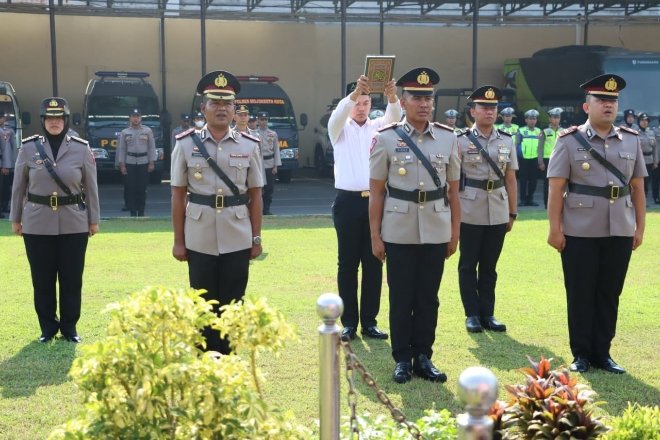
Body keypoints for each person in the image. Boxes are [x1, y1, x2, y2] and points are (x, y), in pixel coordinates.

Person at [547, 74, 646, 374]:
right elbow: (555, 188)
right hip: (580, 230)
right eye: (601, 100)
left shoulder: (630, 139)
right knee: (580, 292)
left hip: (619, 229)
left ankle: (603, 352)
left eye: (613, 101)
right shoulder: (568, 140)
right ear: (586, 106)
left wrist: (639, 228)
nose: (608, 105)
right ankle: (581, 354)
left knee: (608, 292)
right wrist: (555, 228)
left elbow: (638, 188)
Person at [369, 67, 460, 384]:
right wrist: (375, 237)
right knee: (401, 296)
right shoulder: (386, 138)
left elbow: (454, 192)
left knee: (428, 297)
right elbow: (377, 191)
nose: (424, 103)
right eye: (417, 97)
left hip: (436, 227)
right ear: (403, 101)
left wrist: (454, 233)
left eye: (428, 98)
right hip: (398, 229)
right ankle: (402, 358)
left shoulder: (448, 138)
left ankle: (424, 356)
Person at [170, 70, 263, 355]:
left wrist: (256, 238)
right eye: (215, 103)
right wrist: (178, 240)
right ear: (203, 108)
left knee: (234, 301)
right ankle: (205, 356)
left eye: (227, 104)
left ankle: (229, 357)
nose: (221, 108)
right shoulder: (185, 143)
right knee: (203, 301)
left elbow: (256, 195)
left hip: (237, 233)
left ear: (235, 109)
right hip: (198, 235)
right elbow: (177, 194)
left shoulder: (250, 145)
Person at [9, 97, 100, 343]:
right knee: (42, 278)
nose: (54, 122)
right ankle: (47, 327)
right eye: (49, 118)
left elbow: (91, 188)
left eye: (59, 117)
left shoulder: (81, 148)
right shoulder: (28, 148)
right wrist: (15, 218)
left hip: (74, 222)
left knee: (72, 277)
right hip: (37, 222)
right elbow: (19, 187)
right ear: (43, 121)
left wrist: (94, 219)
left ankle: (69, 327)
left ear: (66, 119)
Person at [328, 75, 401, 342]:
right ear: (350, 104)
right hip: (347, 202)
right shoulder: (339, 129)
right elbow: (337, 116)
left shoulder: (378, 127)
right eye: (357, 103)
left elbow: (395, 118)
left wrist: (392, 97)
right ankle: (348, 322)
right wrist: (354, 93)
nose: (361, 107)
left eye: (366, 102)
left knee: (374, 261)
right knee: (347, 264)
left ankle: (369, 321)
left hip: (375, 200)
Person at [456, 85, 518, 333]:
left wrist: (512, 212)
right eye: (484, 107)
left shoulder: (506, 139)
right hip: (469, 208)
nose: (490, 112)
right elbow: (453, 180)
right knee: (469, 264)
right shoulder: (459, 141)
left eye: (493, 108)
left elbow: (511, 178)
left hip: (498, 208)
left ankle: (488, 313)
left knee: (490, 266)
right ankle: (471, 314)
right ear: (473, 111)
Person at [116, 108, 157, 217]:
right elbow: (122, 149)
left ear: (141, 118)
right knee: (131, 188)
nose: (135, 118)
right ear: (130, 118)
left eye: (137, 116)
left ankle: (141, 212)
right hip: (130, 162)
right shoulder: (125, 132)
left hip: (144, 162)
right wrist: (122, 164)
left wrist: (151, 162)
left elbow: (151, 147)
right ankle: (133, 213)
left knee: (142, 188)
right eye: (133, 116)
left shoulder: (147, 131)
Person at [256, 111, 281, 215]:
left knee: (269, 188)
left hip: (269, 163)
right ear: (258, 120)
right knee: (258, 187)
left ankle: (266, 209)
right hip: (258, 163)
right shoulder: (254, 133)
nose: (263, 122)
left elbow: (276, 150)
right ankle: (258, 210)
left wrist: (275, 166)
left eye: (265, 119)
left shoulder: (273, 134)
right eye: (261, 119)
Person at [537, 107, 563, 208]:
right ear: (550, 119)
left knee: (561, 183)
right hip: (547, 160)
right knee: (547, 184)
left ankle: (559, 204)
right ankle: (547, 205)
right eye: (554, 117)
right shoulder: (545, 131)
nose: (556, 120)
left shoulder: (564, 131)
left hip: (560, 160)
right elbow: (540, 148)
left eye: (558, 117)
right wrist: (540, 162)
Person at [517, 109, 541, 206]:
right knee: (523, 181)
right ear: (526, 120)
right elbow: (516, 145)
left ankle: (530, 199)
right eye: (530, 119)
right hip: (523, 159)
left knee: (533, 181)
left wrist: (540, 161)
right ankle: (522, 200)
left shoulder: (539, 131)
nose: (532, 121)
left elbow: (540, 147)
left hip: (534, 159)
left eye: (534, 119)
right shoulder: (521, 130)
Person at [636, 113, 657, 201]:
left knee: (647, 182)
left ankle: (644, 200)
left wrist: (655, 162)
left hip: (649, 160)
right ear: (639, 122)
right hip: (640, 161)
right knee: (640, 182)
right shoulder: (635, 133)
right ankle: (639, 201)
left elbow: (655, 148)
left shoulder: (651, 132)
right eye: (642, 120)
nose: (644, 122)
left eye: (646, 121)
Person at [1, 113, 17, 215]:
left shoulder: (7, 131)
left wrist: (8, 165)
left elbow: (8, 149)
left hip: (3, 164)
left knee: (4, 187)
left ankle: (3, 207)